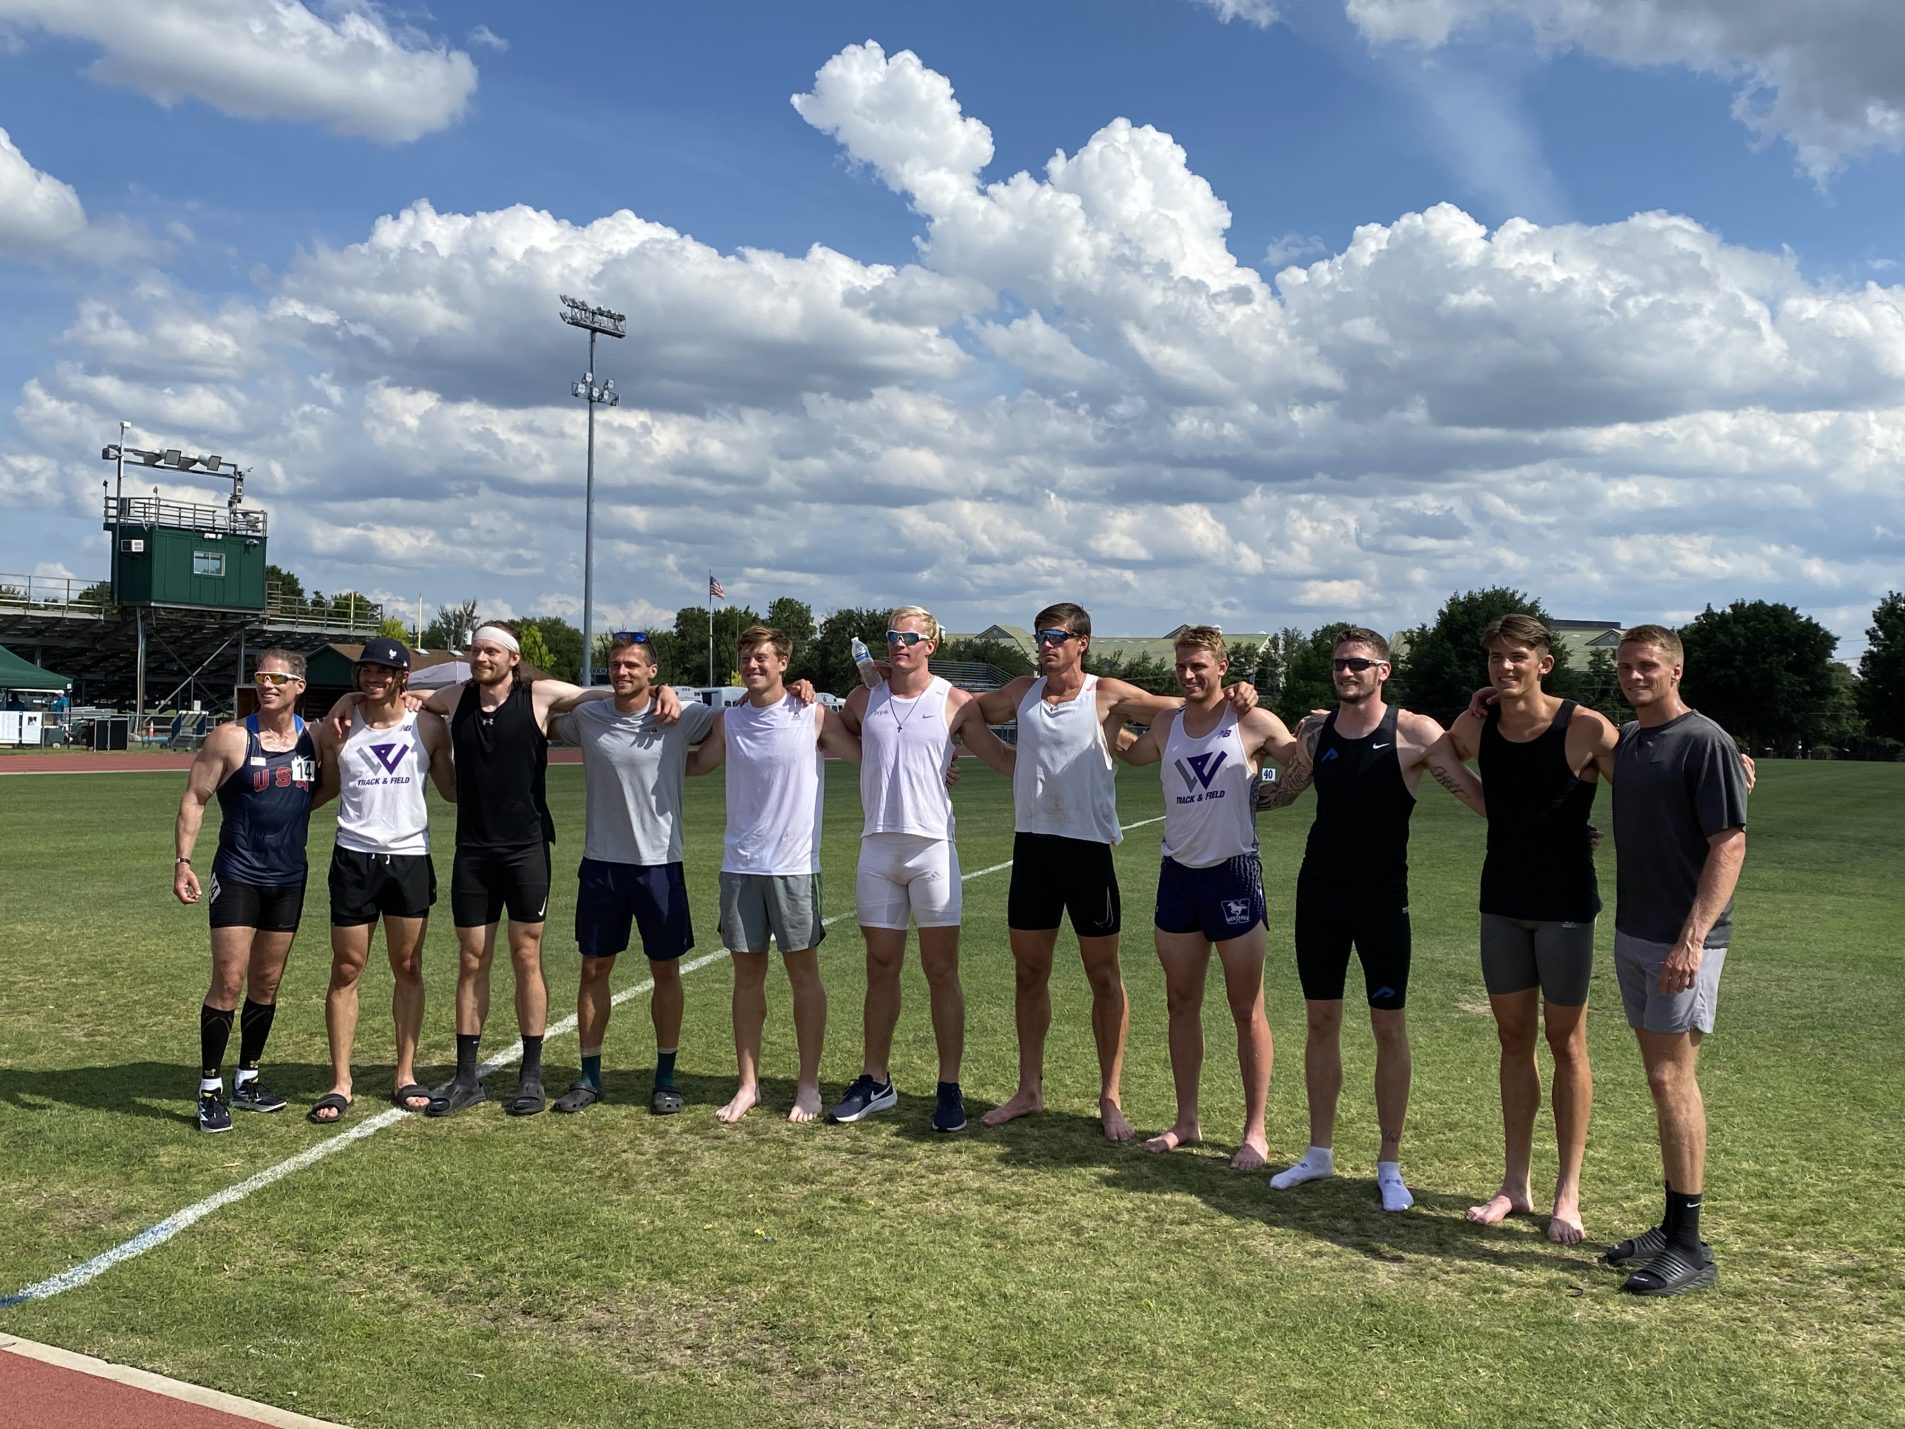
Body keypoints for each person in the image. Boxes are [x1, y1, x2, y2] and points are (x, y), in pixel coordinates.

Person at [347, 622, 667, 1119]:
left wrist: (660, 689)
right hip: (473, 851)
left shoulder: (538, 695)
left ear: (512, 658)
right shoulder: (455, 697)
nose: (480, 658)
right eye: (476, 650)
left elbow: (600, 692)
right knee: (471, 959)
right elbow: (408, 700)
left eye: (490, 651)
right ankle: (467, 1075)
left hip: (526, 850)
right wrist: (355, 703)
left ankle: (531, 1073)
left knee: (526, 956)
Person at [973, 602, 1258, 1141]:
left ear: (1082, 642)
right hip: (1033, 849)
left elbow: (1185, 702)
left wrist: (1239, 691)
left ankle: (1110, 1097)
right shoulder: (1020, 691)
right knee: (1029, 973)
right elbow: (966, 712)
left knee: (1103, 977)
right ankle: (1029, 1090)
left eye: (1056, 635)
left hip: (1087, 853)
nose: (1045, 644)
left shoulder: (1107, 693)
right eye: (1039, 636)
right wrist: (1000, 761)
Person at [1260, 627, 1484, 1211]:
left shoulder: (1414, 733)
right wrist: (1229, 770)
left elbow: (1478, 797)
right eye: (1339, 664)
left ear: (1383, 671)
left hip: (1383, 901)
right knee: (1319, 1022)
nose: (1346, 672)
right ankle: (1318, 1153)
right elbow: (1281, 794)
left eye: (1358, 663)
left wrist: (1553, 827)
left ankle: (1389, 1164)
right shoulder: (1315, 731)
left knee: (1388, 1027)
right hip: (1320, 898)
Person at [1442, 614, 1612, 1243]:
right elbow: (1440, 754)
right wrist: (1489, 804)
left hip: (1566, 906)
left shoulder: (1587, 726)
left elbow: (1648, 782)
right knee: (1513, 1042)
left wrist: (1725, 764)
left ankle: (1568, 1192)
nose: (1504, 668)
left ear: (1545, 663)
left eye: (1516, 658)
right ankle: (1516, 1183)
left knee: (1566, 1044)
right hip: (1502, 904)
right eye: (1494, 659)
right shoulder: (1479, 723)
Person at [829, 605, 1017, 1134]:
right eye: (892, 636)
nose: (898, 645)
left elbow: (1002, 760)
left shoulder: (955, 702)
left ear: (930, 644)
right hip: (877, 851)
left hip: (932, 851)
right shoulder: (863, 699)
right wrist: (799, 688)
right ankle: (875, 1080)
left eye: (909, 637)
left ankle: (948, 1086)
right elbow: (835, 729)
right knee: (880, 968)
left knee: (941, 971)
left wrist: (1072, 760)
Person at [1117, 627, 1299, 1169]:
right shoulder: (1168, 722)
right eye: (1182, 666)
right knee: (1181, 1002)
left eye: (1199, 666)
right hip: (1179, 875)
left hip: (1233, 875)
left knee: (1247, 1010)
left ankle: (1255, 1131)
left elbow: (1296, 760)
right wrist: (1100, 718)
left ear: (1222, 667)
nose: (1189, 675)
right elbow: (1132, 755)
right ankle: (1186, 1121)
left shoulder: (1250, 720)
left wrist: (1274, 789)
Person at [1600, 624, 1747, 1295]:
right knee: (1659, 1076)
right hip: (1633, 932)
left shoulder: (1704, 739)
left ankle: (1689, 1245)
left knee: (1670, 1079)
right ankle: (1670, 1222)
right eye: (1625, 665)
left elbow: (1728, 845)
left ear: (1675, 670)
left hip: (1680, 942)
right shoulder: (1630, 741)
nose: (1634, 675)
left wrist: (1692, 937)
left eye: (1647, 665)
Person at [687, 625, 856, 1123]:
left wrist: (938, 766)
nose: (752, 665)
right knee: (746, 978)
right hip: (739, 867)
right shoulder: (729, 721)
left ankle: (808, 1085)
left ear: (784, 663)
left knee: (804, 975)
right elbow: (696, 766)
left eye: (762, 657)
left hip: (795, 868)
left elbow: (869, 753)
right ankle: (748, 1085)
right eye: (746, 658)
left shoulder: (812, 714)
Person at [548, 631, 716, 1116]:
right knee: (593, 968)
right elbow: (538, 709)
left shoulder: (682, 716)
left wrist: (802, 687)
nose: (622, 673)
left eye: (632, 666)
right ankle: (589, 1076)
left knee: (665, 969)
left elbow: (748, 711)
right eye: (616, 665)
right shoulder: (587, 717)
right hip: (602, 865)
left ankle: (666, 1077)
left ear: (652, 672)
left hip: (661, 865)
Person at [172, 649, 324, 1133]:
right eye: (262, 676)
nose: (268, 684)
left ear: (299, 685)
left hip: (289, 877)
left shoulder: (314, 739)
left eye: (279, 678)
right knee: (230, 981)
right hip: (238, 873)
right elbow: (195, 798)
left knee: (267, 983)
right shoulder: (231, 738)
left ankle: (248, 1078)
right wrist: (183, 863)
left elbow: (323, 784)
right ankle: (210, 1089)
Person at [307, 637, 457, 1124]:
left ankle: (405, 1074)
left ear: (401, 678)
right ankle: (341, 1082)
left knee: (408, 967)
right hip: (354, 857)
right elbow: (326, 786)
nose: (373, 679)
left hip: (409, 858)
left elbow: (453, 791)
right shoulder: (340, 727)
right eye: (366, 672)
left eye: (383, 672)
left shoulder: (429, 728)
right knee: (346, 970)